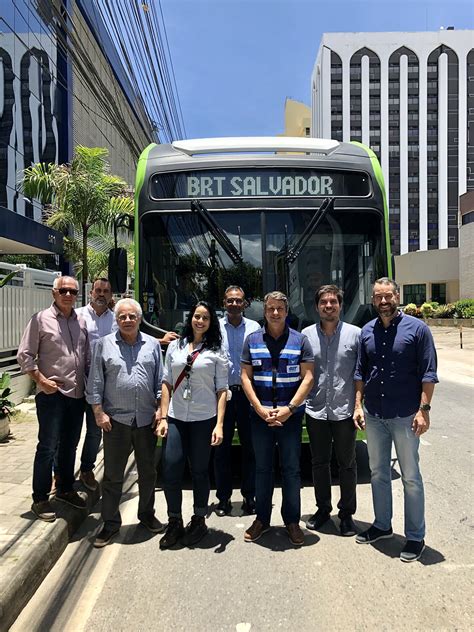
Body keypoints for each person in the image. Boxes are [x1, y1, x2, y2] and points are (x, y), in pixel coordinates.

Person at [354, 277, 438, 562]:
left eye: (388, 295)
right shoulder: (367, 332)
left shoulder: (418, 330)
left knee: (411, 477)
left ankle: (415, 537)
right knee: (378, 473)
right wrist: (357, 405)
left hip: (405, 415)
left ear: (397, 296)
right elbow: (360, 374)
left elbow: (428, 373)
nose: (383, 301)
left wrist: (423, 410)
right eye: (378, 297)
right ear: (373, 300)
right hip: (375, 414)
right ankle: (382, 525)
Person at [87, 298, 164, 548]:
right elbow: (95, 382)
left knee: (148, 473)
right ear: (117, 320)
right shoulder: (104, 345)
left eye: (132, 316)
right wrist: (99, 413)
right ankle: (110, 524)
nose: (128, 320)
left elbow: (160, 381)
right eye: (123, 317)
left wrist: (160, 413)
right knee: (112, 476)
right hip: (115, 421)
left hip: (145, 420)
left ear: (140, 318)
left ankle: (147, 515)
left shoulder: (152, 345)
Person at [240, 291, 314, 547]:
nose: (274, 313)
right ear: (265, 311)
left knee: (292, 470)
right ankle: (262, 519)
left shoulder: (300, 340)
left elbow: (308, 378)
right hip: (259, 416)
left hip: (290, 418)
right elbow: (245, 377)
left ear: (286, 311)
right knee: (262, 469)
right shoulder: (252, 340)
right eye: (270, 308)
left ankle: (291, 521)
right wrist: (260, 408)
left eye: (279, 309)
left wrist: (290, 408)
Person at [17, 276, 90, 522]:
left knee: (70, 445)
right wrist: (41, 381)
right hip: (52, 395)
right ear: (54, 293)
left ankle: (65, 489)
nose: (68, 295)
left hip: (77, 394)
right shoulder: (40, 320)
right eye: (63, 290)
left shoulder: (80, 321)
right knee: (47, 447)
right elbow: (24, 355)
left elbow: (86, 357)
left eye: (72, 291)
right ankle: (40, 498)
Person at [156, 301, 228, 549]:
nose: (200, 321)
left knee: (199, 470)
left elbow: (222, 390)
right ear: (191, 319)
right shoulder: (175, 346)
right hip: (176, 417)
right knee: (171, 468)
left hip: (203, 418)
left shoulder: (217, 350)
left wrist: (219, 424)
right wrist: (163, 417)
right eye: (197, 316)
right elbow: (166, 382)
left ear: (211, 323)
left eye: (205, 318)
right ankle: (174, 520)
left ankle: (198, 519)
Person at [302, 285, 361, 537]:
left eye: (333, 302)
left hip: (344, 410)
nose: (328, 306)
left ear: (340, 305)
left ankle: (347, 515)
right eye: (324, 302)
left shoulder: (356, 335)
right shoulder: (305, 335)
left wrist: (358, 405)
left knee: (347, 464)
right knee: (319, 462)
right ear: (317, 307)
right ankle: (323, 509)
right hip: (315, 410)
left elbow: (360, 374)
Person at [213, 285, 260, 516]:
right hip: (221, 395)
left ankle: (250, 496)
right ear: (224, 302)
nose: (234, 304)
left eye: (238, 301)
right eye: (230, 300)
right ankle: (223, 499)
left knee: (250, 448)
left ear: (245, 304)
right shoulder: (214, 326)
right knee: (220, 448)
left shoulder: (254, 328)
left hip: (247, 395)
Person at [75, 278, 117, 491]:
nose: (101, 294)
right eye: (98, 290)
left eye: (106, 291)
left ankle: (86, 469)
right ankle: (59, 473)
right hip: (76, 383)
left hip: (101, 386)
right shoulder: (78, 315)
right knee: (68, 433)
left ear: (111, 294)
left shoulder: (116, 320)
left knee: (94, 432)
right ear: (91, 292)